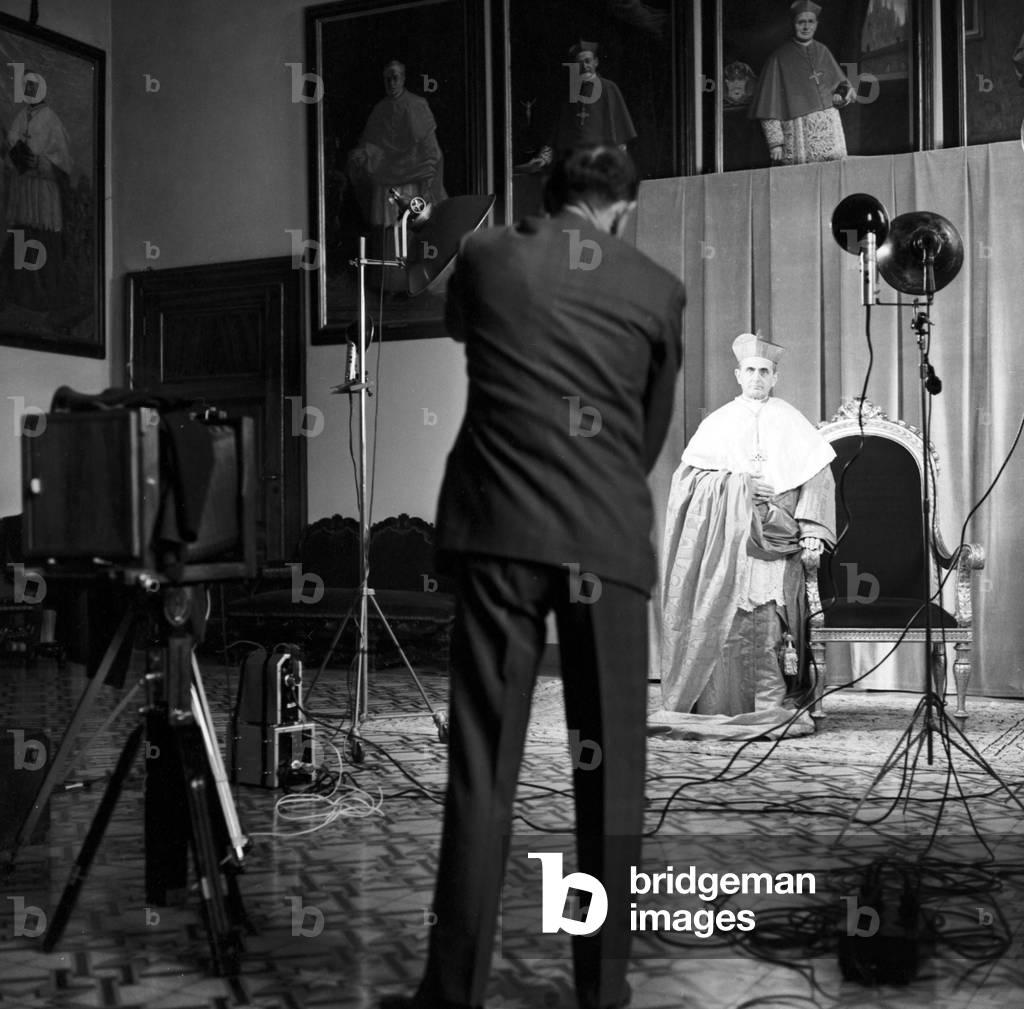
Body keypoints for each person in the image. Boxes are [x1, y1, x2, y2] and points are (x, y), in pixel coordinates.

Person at [381, 145, 684, 1009]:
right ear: (622, 210)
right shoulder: (657, 287)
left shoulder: (483, 256)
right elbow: (647, 431)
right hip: (607, 539)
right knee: (611, 769)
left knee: (482, 766)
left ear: (544, 198)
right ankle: (602, 989)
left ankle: (452, 993)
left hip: (498, 530)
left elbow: (462, 329)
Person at [655, 332, 835, 729]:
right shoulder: (717, 422)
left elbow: (819, 478)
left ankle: (773, 698)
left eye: (764, 372)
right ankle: (722, 704)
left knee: (773, 620)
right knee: (729, 617)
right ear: (738, 375)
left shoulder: (791, 419)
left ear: (775, 377)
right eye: (750, 370)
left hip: (780, 535)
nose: (757, 377)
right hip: (731, 539)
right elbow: (688, 484)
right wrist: (738, 485)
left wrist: (811, 527)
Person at [749, 0, 855, 165]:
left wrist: (841, 97)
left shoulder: (823, 51)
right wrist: (775, 143)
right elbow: (768, 106)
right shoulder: (779, 58)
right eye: (801, 22)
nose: (806, 27)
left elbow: (844, 87)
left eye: (810, 22)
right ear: (793, 24)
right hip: (798, 139)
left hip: (832, 136)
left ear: (816, 24)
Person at [346, 59, 447, 228]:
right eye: (387, 79)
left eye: (395, 78)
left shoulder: (417, 104)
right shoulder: (380, 109)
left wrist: (428, 179)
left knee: (410, 231)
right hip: (386, 182)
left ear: (403, 78)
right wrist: (364, 154)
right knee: (388, 235)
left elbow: (430, 149)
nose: (391, 83)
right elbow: (371, 143)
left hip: (411, 180)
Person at [1, 71, 72, 310]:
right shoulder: (21, 115)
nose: (29, 90)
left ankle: (44, 294)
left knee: (42, 238)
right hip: (24, 188)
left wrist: (40, 162)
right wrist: (15, 156)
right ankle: (22, 291)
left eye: (33, 86)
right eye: (26, 86)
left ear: (41, 88)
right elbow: (11, 144)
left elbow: (62, 159)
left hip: (42, 191)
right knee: (23, 235)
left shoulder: (51, 118)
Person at [525, 41, 637, 171]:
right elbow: (556, 131)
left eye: (588, 61)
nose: (584, 66)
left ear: (596, 62)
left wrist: (620, 161)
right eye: (579, 63)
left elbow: (619, 131)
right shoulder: (570, 93)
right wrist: (544, 157)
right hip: (574, 165)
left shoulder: (609, 88)